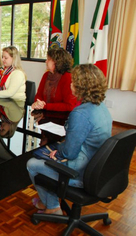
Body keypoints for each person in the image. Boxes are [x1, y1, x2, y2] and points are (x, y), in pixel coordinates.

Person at [26, 64, 112, 215]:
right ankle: (47, 202)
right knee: (50, 152)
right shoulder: (101, 108)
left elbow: (70, 153)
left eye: (73, 82)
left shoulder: (80, 113)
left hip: (81, 173)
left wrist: (58, 152)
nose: (70, 84)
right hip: (99, 168)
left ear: (81, 87)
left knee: (32, 163)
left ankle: (52, 207)